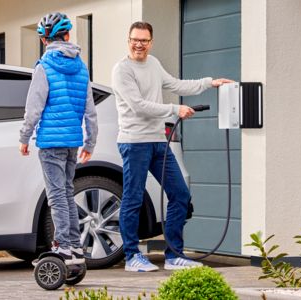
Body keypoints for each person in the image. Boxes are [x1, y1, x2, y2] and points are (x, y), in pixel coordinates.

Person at [112, 21, 233, 272]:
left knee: (180, 194)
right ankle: (132, 256)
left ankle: (174, 255)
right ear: (128, 40)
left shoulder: (153, 64)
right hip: (134, 143)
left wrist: (210, 83)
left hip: (158, 142)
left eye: (144, 40)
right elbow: (138, 105)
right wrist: (174, 109)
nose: (139, 44)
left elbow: (176, 84)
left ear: (151, 42)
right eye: (135, 39)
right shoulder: (122, 70)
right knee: (133, 199)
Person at [19, 12, 98, 265]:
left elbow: (34, 107)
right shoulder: (81, 67)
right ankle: (75, 246)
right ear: (68, 36)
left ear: (44, 40)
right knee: (66, 192)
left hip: (51, 142)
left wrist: (25, 136)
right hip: (73, 142)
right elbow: (90, 110)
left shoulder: (44, 66)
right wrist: (90, 142)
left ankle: (63, 246)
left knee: (56, 196)